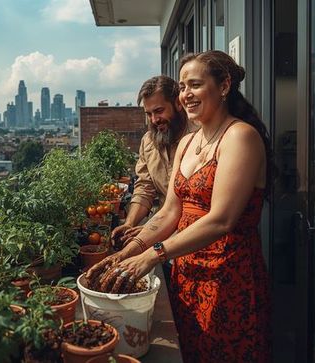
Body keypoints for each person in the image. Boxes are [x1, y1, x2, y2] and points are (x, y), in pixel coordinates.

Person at [88, 50, 273, 362]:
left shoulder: (240, 137)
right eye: (183, 87)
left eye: (195, 85)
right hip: (186, 274)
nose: (186, 94)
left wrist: (153, 255)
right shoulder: (188, 142)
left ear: (224, 85)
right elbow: (170, 211)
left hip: (229, 279)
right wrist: (127, 253)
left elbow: (221, 220)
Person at [111, 75, 196, 246]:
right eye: (148, 114)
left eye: (159, 111)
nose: (154, 120)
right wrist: (129, 223)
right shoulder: (148, 142)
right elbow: (145, 188)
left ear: (178, 103)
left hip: (195, 235)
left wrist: (153, 228)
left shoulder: (200, 137)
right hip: (162, 236)